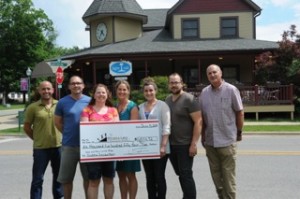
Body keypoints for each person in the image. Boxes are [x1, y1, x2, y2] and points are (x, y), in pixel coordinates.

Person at [199, 64, 244, 199]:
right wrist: (203, 136)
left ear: (221, 73)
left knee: (228, 178)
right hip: (211, 142)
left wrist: (239, 132)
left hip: (227, 141)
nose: (212, 75)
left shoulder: (231, 90)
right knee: (216, 177)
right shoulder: (204, 93)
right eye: (209, 73)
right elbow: (202, 117)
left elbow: (239, 112)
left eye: (214, 72)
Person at [24, 81, 63, 199]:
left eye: (48, 89)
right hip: (41, 149)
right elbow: (27, 127)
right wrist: (37, 138)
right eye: (43, 89)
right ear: (39, 91)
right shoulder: (33, 107)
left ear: (53, 90)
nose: (46, 91)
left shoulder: (60, 105)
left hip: (59, 147)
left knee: (59, 178)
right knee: (37, 179)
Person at [165, 73, 202, 199]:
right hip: (171, 145)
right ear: (169, 84)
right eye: (172, 82)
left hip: (185, 144)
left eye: (176, 82)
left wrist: (194, 144)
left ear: (182, 83)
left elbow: (198, 121)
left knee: (186, 174)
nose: (174, 85)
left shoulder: (189, 99)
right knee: (180, 173)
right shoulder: (167, 99)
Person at [54, 76, 91, 199]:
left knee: (89, 178)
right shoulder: (62, 102)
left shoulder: (90, 101)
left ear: (83, 85)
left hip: (88, 146)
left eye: (78, 83)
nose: (76, 85)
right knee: (66, 179)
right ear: (69, 86)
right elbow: (57, 122)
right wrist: (68, 132)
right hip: (69, 146)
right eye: (73, 83)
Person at [81, 83, 119, 199]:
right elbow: (85, 130)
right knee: (93, 182)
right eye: (98, 92)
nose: (101, 95)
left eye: (103, 92)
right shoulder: (87, 110)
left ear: (107, 95)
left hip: (109, 151)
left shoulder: (113, 110)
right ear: (94, 95)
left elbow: (117, 130)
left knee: (109, 180)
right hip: (93, 152)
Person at [138, 78, 171, 199]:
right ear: (143, 93)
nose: (148, 93)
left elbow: (167, 126)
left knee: (159, 176)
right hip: (145, 149)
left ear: (155, 91)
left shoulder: (163, 105)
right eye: (146, 91)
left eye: (151, 90)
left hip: (160, 148)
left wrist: (163, 146)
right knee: (149, 176)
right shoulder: (140, 107)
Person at [115, 80, 141, 199]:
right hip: (117, 147)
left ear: (128, 91)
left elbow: (132, 129)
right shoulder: (114, 106)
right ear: (116, 91)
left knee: (131, 175)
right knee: (121, 175)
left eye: (124, 89)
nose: (122, 92)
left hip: (130, 146)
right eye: (119, 89)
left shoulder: (132, 106)